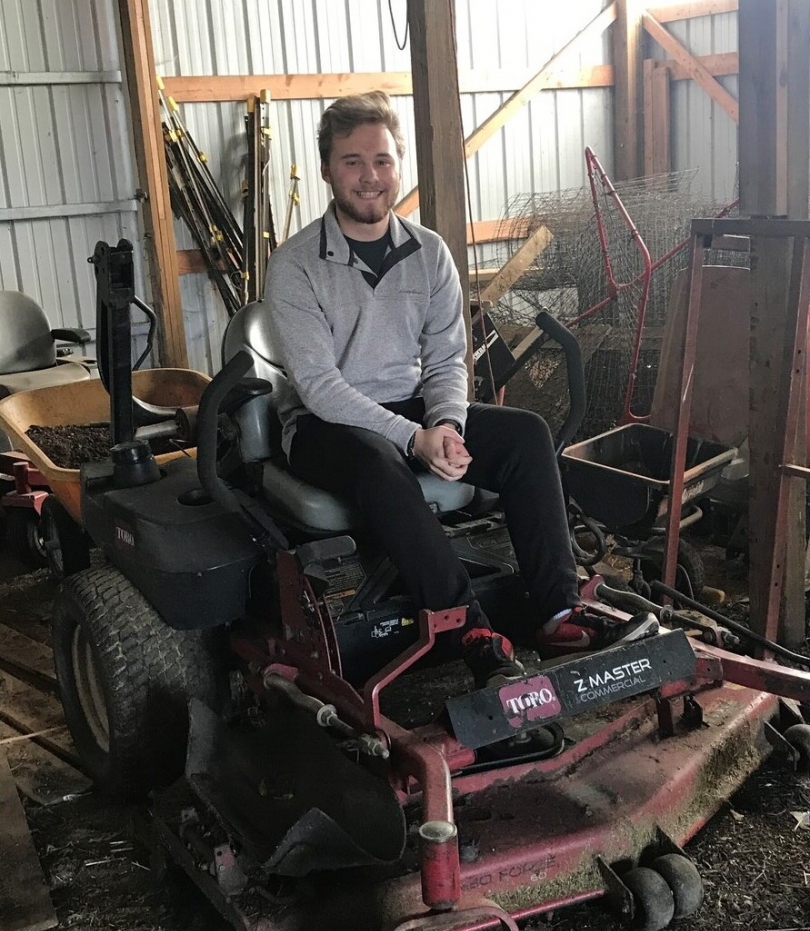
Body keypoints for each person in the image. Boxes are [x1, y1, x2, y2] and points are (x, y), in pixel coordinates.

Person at [265, 91, 653, 688]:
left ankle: (556, 609)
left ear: (398, 165)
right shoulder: (295, 266)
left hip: (411, 410)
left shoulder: (428, 254)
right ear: (326, 169)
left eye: (382, 160)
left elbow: (447, 357)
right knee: (376, 462)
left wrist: (446, 424)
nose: (370, 177)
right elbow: (319, 385)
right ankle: (468, 628)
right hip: (326, 425)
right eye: (352, 161)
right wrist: (412, 438)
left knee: (526, 433)